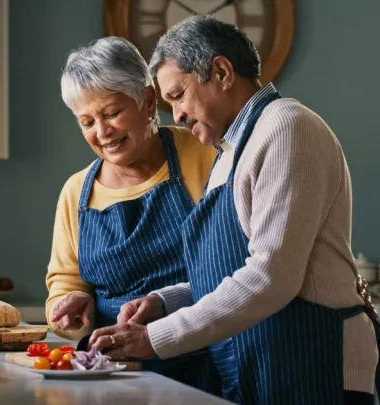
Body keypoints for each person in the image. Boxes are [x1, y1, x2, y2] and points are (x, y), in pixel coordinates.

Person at [90, 15, 380, 405]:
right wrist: (166, 300)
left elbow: (270, 276)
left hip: (313, 361)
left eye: (178, 95)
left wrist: (155, 339)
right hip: (263, 361)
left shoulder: (287, 128)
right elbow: (232, 269)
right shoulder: (231, 150)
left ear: (222, 72)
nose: (175, 115)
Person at [45, 36, 220, 392]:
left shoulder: (205, 156)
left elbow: (232, 269)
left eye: (112, 113)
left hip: (204, 364)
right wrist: (70, 305)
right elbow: (64, 283)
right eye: (86, 121)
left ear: (149, 99)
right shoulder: (76, 192)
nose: (102, 132)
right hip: (111, 374)